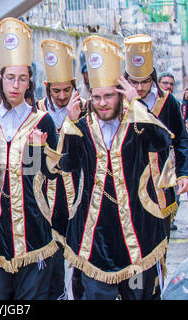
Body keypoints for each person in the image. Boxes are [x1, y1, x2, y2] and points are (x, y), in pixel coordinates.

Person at [61, 35, 174, 300]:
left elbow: (163, 141)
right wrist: (69, 126)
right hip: (93, 237)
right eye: (97, 96)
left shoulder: (137, 123)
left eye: (109, 96)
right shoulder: (83, 127)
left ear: (121, 94)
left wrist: (138, 105)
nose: (102, 102)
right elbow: (66, 165)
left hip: (138, 232)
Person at [0, 17, 61, 300]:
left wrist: (39, 151)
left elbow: (54, 174)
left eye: (22, 78)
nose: (15, 85)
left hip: (34, 232)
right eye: (10, 78)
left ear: (29, 81)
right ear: (0, 79)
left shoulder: (43, 122)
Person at [124, 35, 188, 235]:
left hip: (161, 182)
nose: (140, 88)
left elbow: (181, 140)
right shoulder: (119, 103)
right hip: (128, 182)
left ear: (153, 77)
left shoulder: (168, 102)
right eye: (134, 82)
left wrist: (183, 173)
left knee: (159, 242)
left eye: (145, 82)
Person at [37, 38, 86, 300]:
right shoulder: (36, 113)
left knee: (81, 259)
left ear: (74, 86)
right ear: (47, 87)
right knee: (51, 260)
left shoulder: (87, 111)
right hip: (46, 196)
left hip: (77, 194)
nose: (62, 95)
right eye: (56, 90)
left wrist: (74, 120)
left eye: (66, 89)